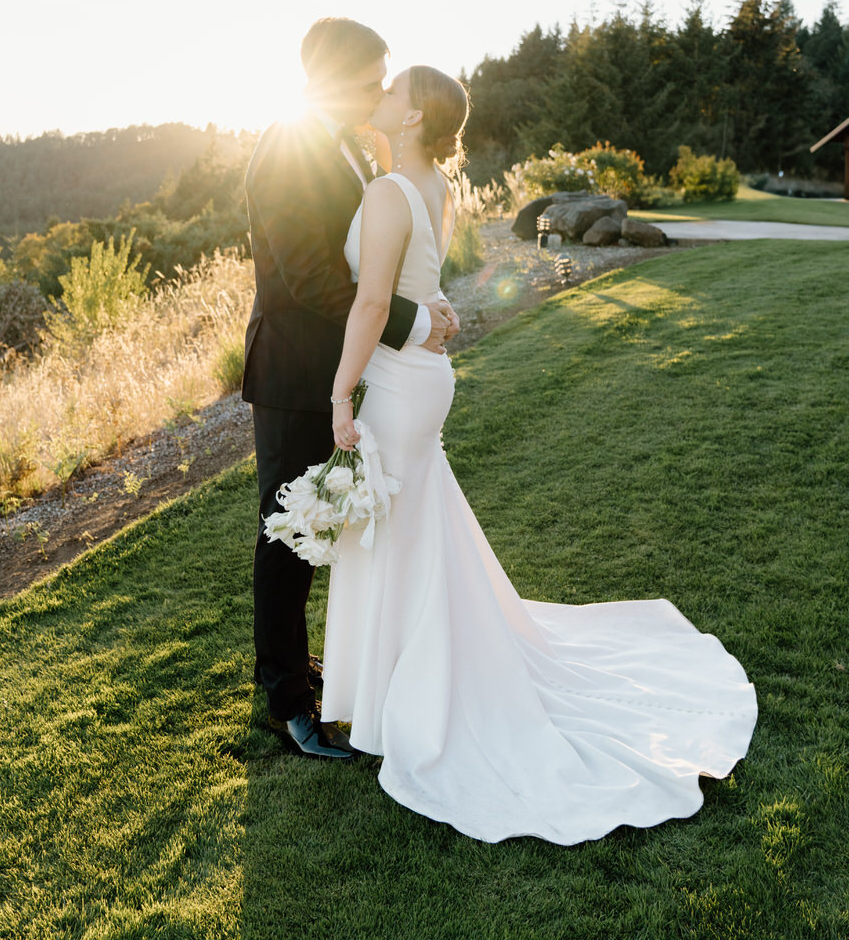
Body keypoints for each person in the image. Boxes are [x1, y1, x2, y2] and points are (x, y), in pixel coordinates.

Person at [319, 63, 759, 843]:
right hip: (425, 375)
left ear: (414, 116)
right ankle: (396, 686)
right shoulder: (432, 189)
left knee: (393, 532)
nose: (377, 97)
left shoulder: (389, 193)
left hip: (394, 382)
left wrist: (339, 394)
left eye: (390, 92)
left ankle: (406, 697)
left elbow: (374, 301)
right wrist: (427, 322)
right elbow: (422, 288)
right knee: (411, 530)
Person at [243, 18, 460, 761]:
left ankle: (306, 670)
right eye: (372, 77)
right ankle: (287, 702)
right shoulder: (289, 146)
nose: (379, 88)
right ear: (338, 78)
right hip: (294, 371)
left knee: (322, 521)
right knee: (287, 531)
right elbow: (310, 277)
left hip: (336, 367)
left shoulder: (348, 148)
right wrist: (411, 321)